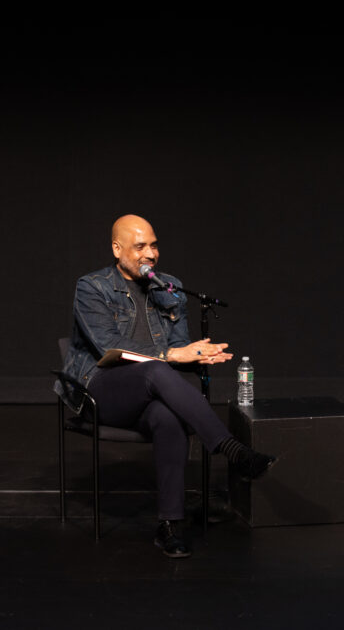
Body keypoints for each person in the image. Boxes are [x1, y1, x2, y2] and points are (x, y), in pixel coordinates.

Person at [56, 214, 277, 558]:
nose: (151, 253)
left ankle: (169, 526)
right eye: (140, 246)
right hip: (101, 388)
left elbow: (179, 347)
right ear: (117, 249)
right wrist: (174, 355)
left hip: (148, 392)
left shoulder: (169, 287)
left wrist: (198, 354)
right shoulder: (92, 286)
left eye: (154, 244)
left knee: (167, 418)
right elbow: (109, 349)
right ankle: (233, 451)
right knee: (155, 370)